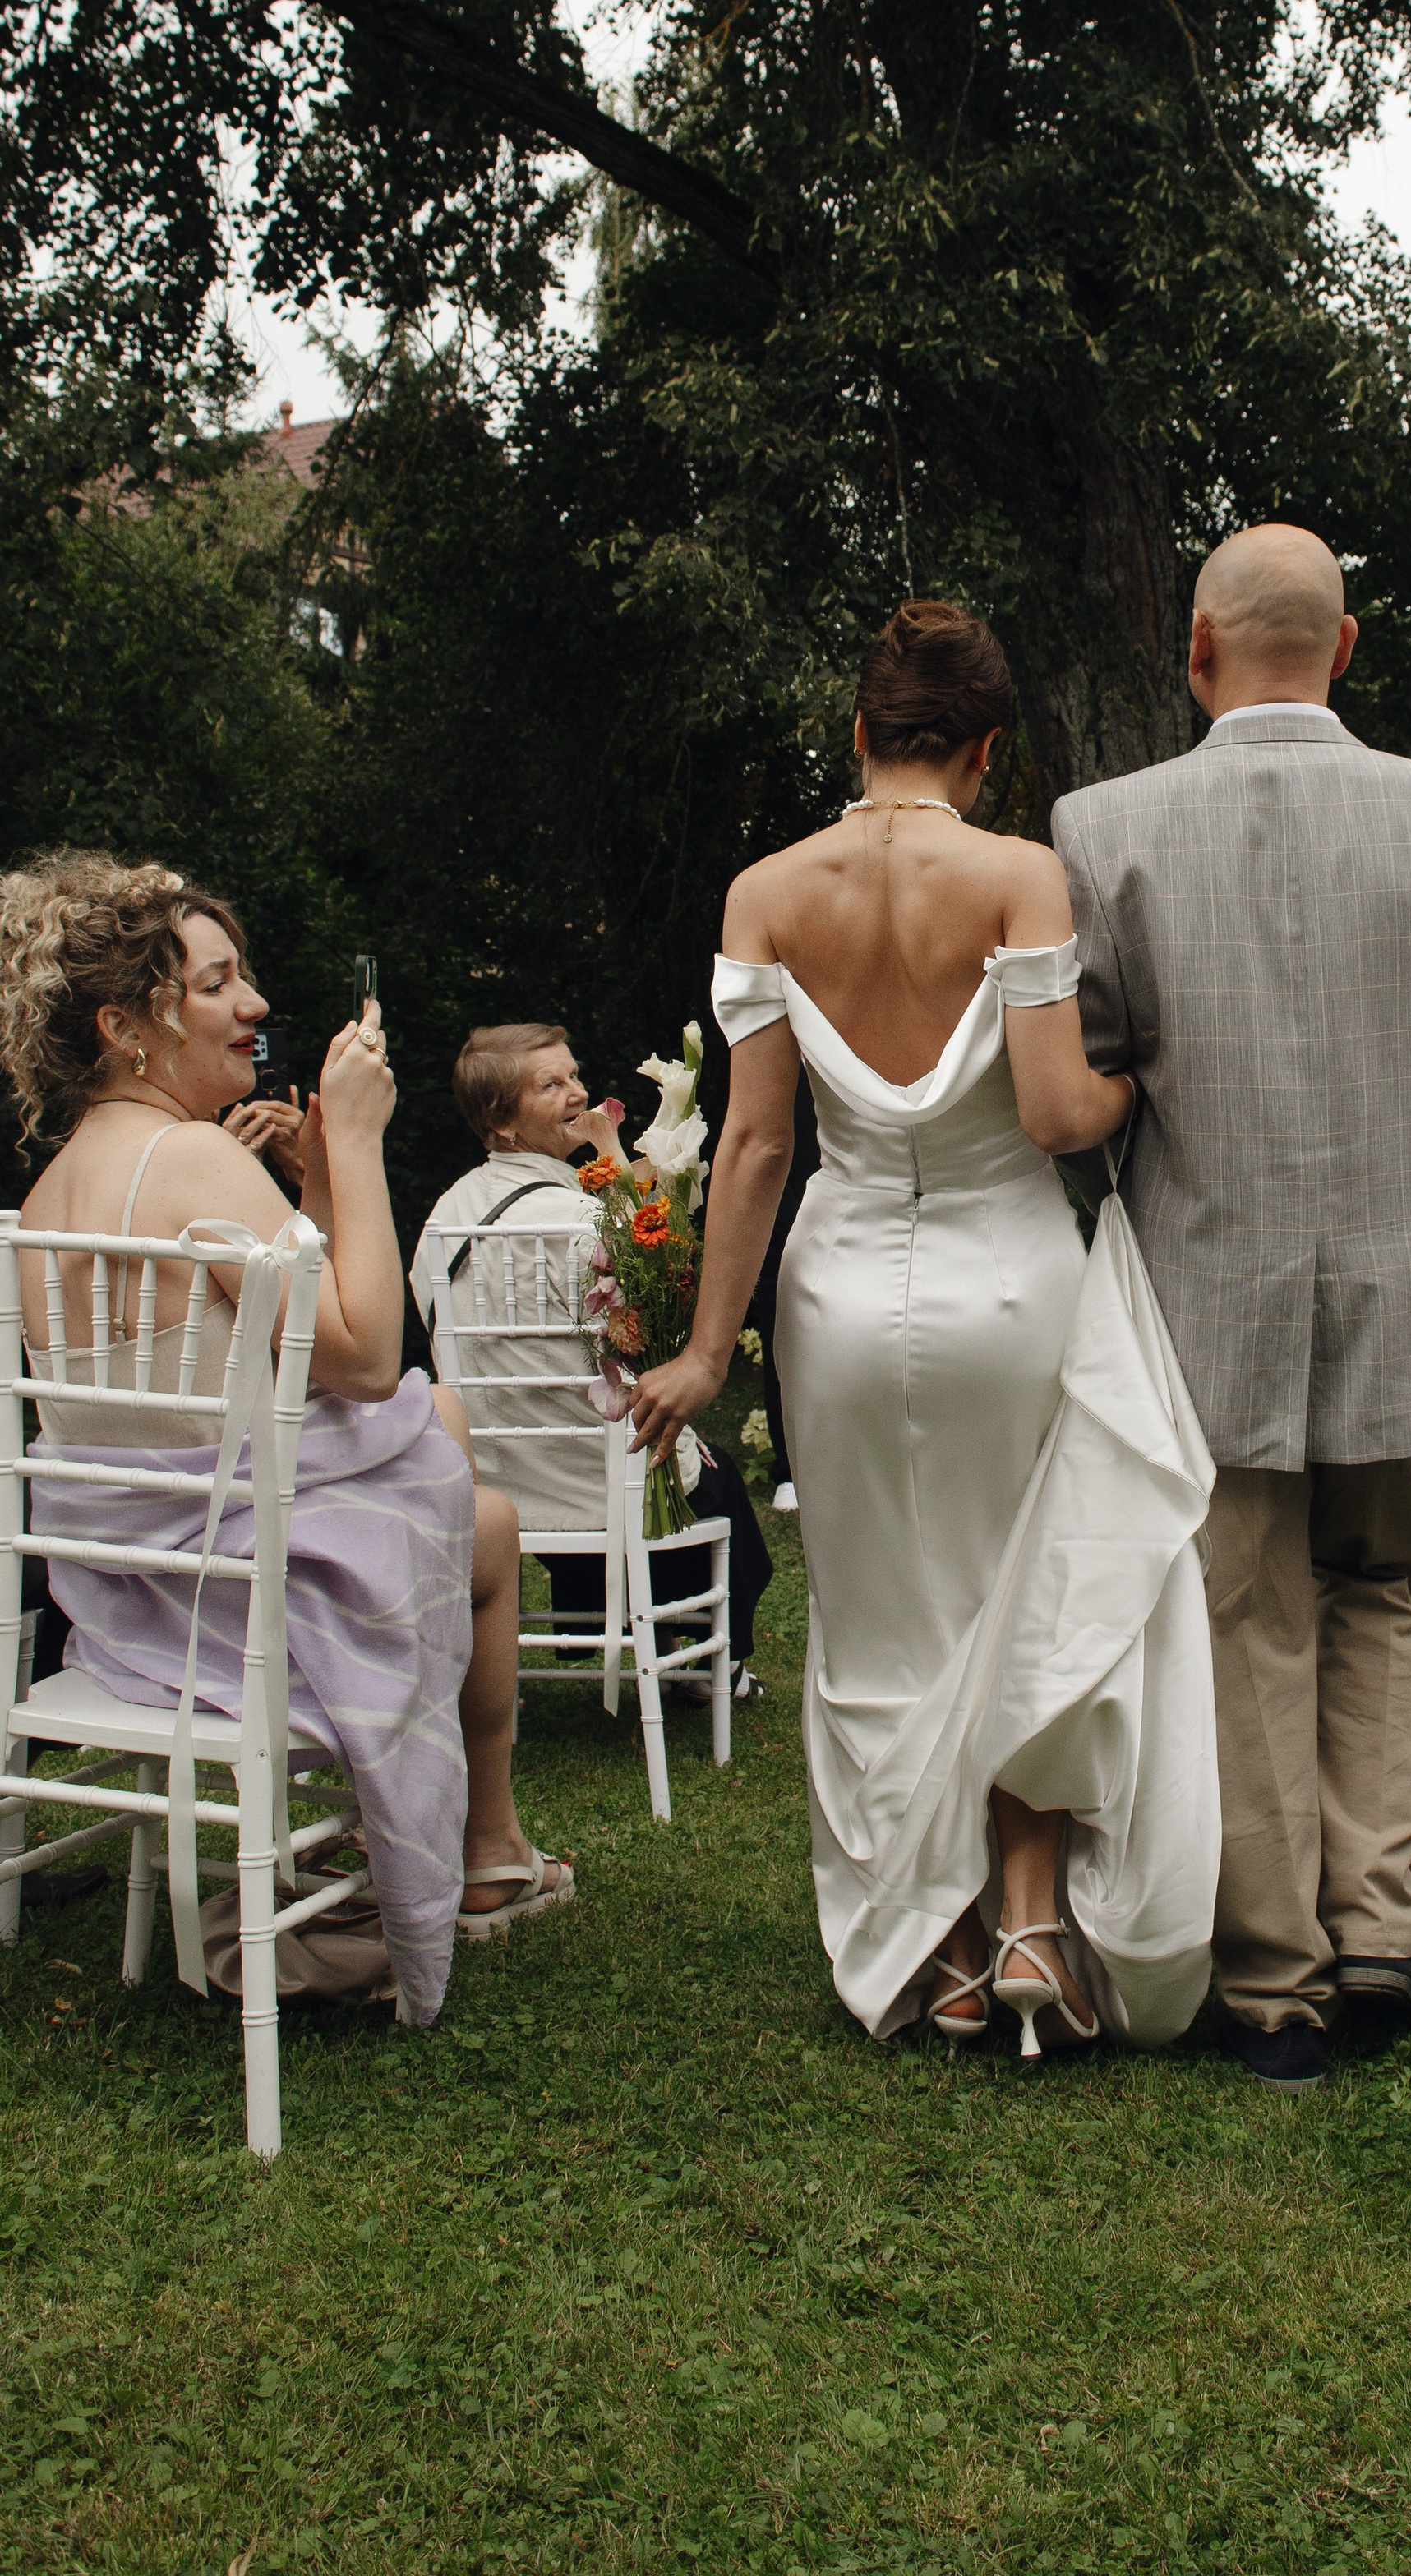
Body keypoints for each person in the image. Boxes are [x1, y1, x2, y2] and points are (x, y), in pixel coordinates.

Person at [629, 602, 1219, 2057]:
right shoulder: (1022, 874)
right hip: (1009, 1278)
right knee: (1025, 1590)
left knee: (884, 1611)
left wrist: (709, 1352)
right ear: (989, 748)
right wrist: (1137, 1087)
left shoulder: (765, 892)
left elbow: (756, 1147)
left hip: (838, 1292)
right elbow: (1051, 1111)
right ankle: (1027, 1915)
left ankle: (935, 1945)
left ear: (858, 733)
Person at [1052, 524, 1411, 2089]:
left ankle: (1274, 1976)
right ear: (1344, 651)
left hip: (1203, 1278)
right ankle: (1381, 1930)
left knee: (1243, 1612)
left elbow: (1086, 1078)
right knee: (1400, 1591)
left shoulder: (1104, 823)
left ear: (1196, 653)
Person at [0, 852, 571, 2023]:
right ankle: (480, 1848)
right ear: (127, 1026)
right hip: (230, 1603)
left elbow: (287, 1348)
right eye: (218, 985)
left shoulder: (60, 1183)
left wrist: (309, 1186)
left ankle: (396, 1848)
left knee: (439, 1442)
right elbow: (365, 1356)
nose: (255, 1006)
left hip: (124, 1593)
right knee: (481, 1509)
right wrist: (355, 1143)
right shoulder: (195, 1161)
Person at [410, 1025, 772, 1695]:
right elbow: (639, 1331)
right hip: (595, 1474)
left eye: (573, 1075)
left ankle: (650, 1638)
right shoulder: (578, 1221)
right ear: (500, 1119)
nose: (576, 1091)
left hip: (498, 1479)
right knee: (709, 1475)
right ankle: (709, 1657)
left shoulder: (442, 1215)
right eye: (550, 1085)